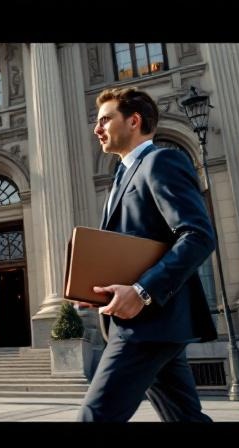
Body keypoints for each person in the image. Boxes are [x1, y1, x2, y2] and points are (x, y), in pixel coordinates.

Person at [76, 87, 217, 422]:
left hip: (146, 325)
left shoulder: (160, 161)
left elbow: (198, 235)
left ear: (134, 120)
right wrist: (94, 291)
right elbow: (133, 250)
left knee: (93, 417)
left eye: (105, 119)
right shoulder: (121, 176)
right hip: (152, 325)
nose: (97, 129)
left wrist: (142, 292)